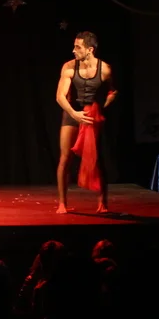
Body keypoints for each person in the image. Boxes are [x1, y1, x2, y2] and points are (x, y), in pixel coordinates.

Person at [54, 31, 117, 214]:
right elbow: (60, 96)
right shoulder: (69, 67)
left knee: (97, 157)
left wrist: (102, 107)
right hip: (72, 112)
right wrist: (74, 114)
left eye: (78, 47)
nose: (73, 50)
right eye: (74, 46)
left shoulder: (105, 69)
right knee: (65, 157)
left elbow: (113, 91)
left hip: (91, 115)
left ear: (90, 49)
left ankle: (102, 203)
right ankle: (62, 203)